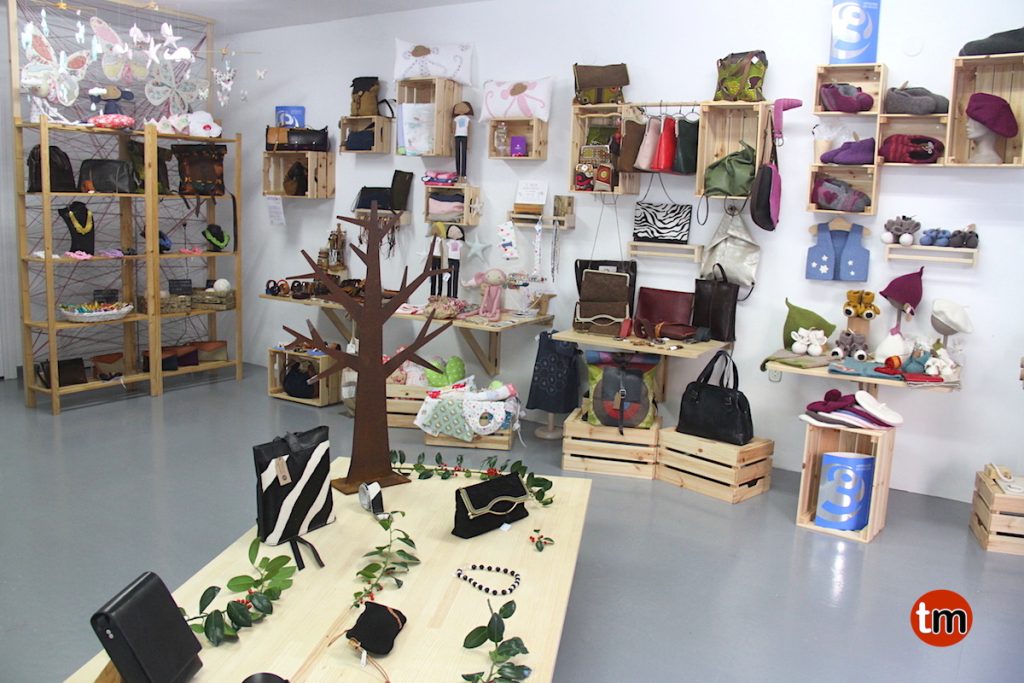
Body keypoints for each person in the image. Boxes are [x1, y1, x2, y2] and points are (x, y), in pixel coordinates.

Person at [452, 101, 473, 181]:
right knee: (457, 155)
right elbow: (453, 129)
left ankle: (463, 174)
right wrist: (451, 141)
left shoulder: (467, 119)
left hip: (464, 136)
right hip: (457, 136)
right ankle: (458, 174)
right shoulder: (456, 119)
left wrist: (469, 143)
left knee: (464, 155)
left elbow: (469, 130)